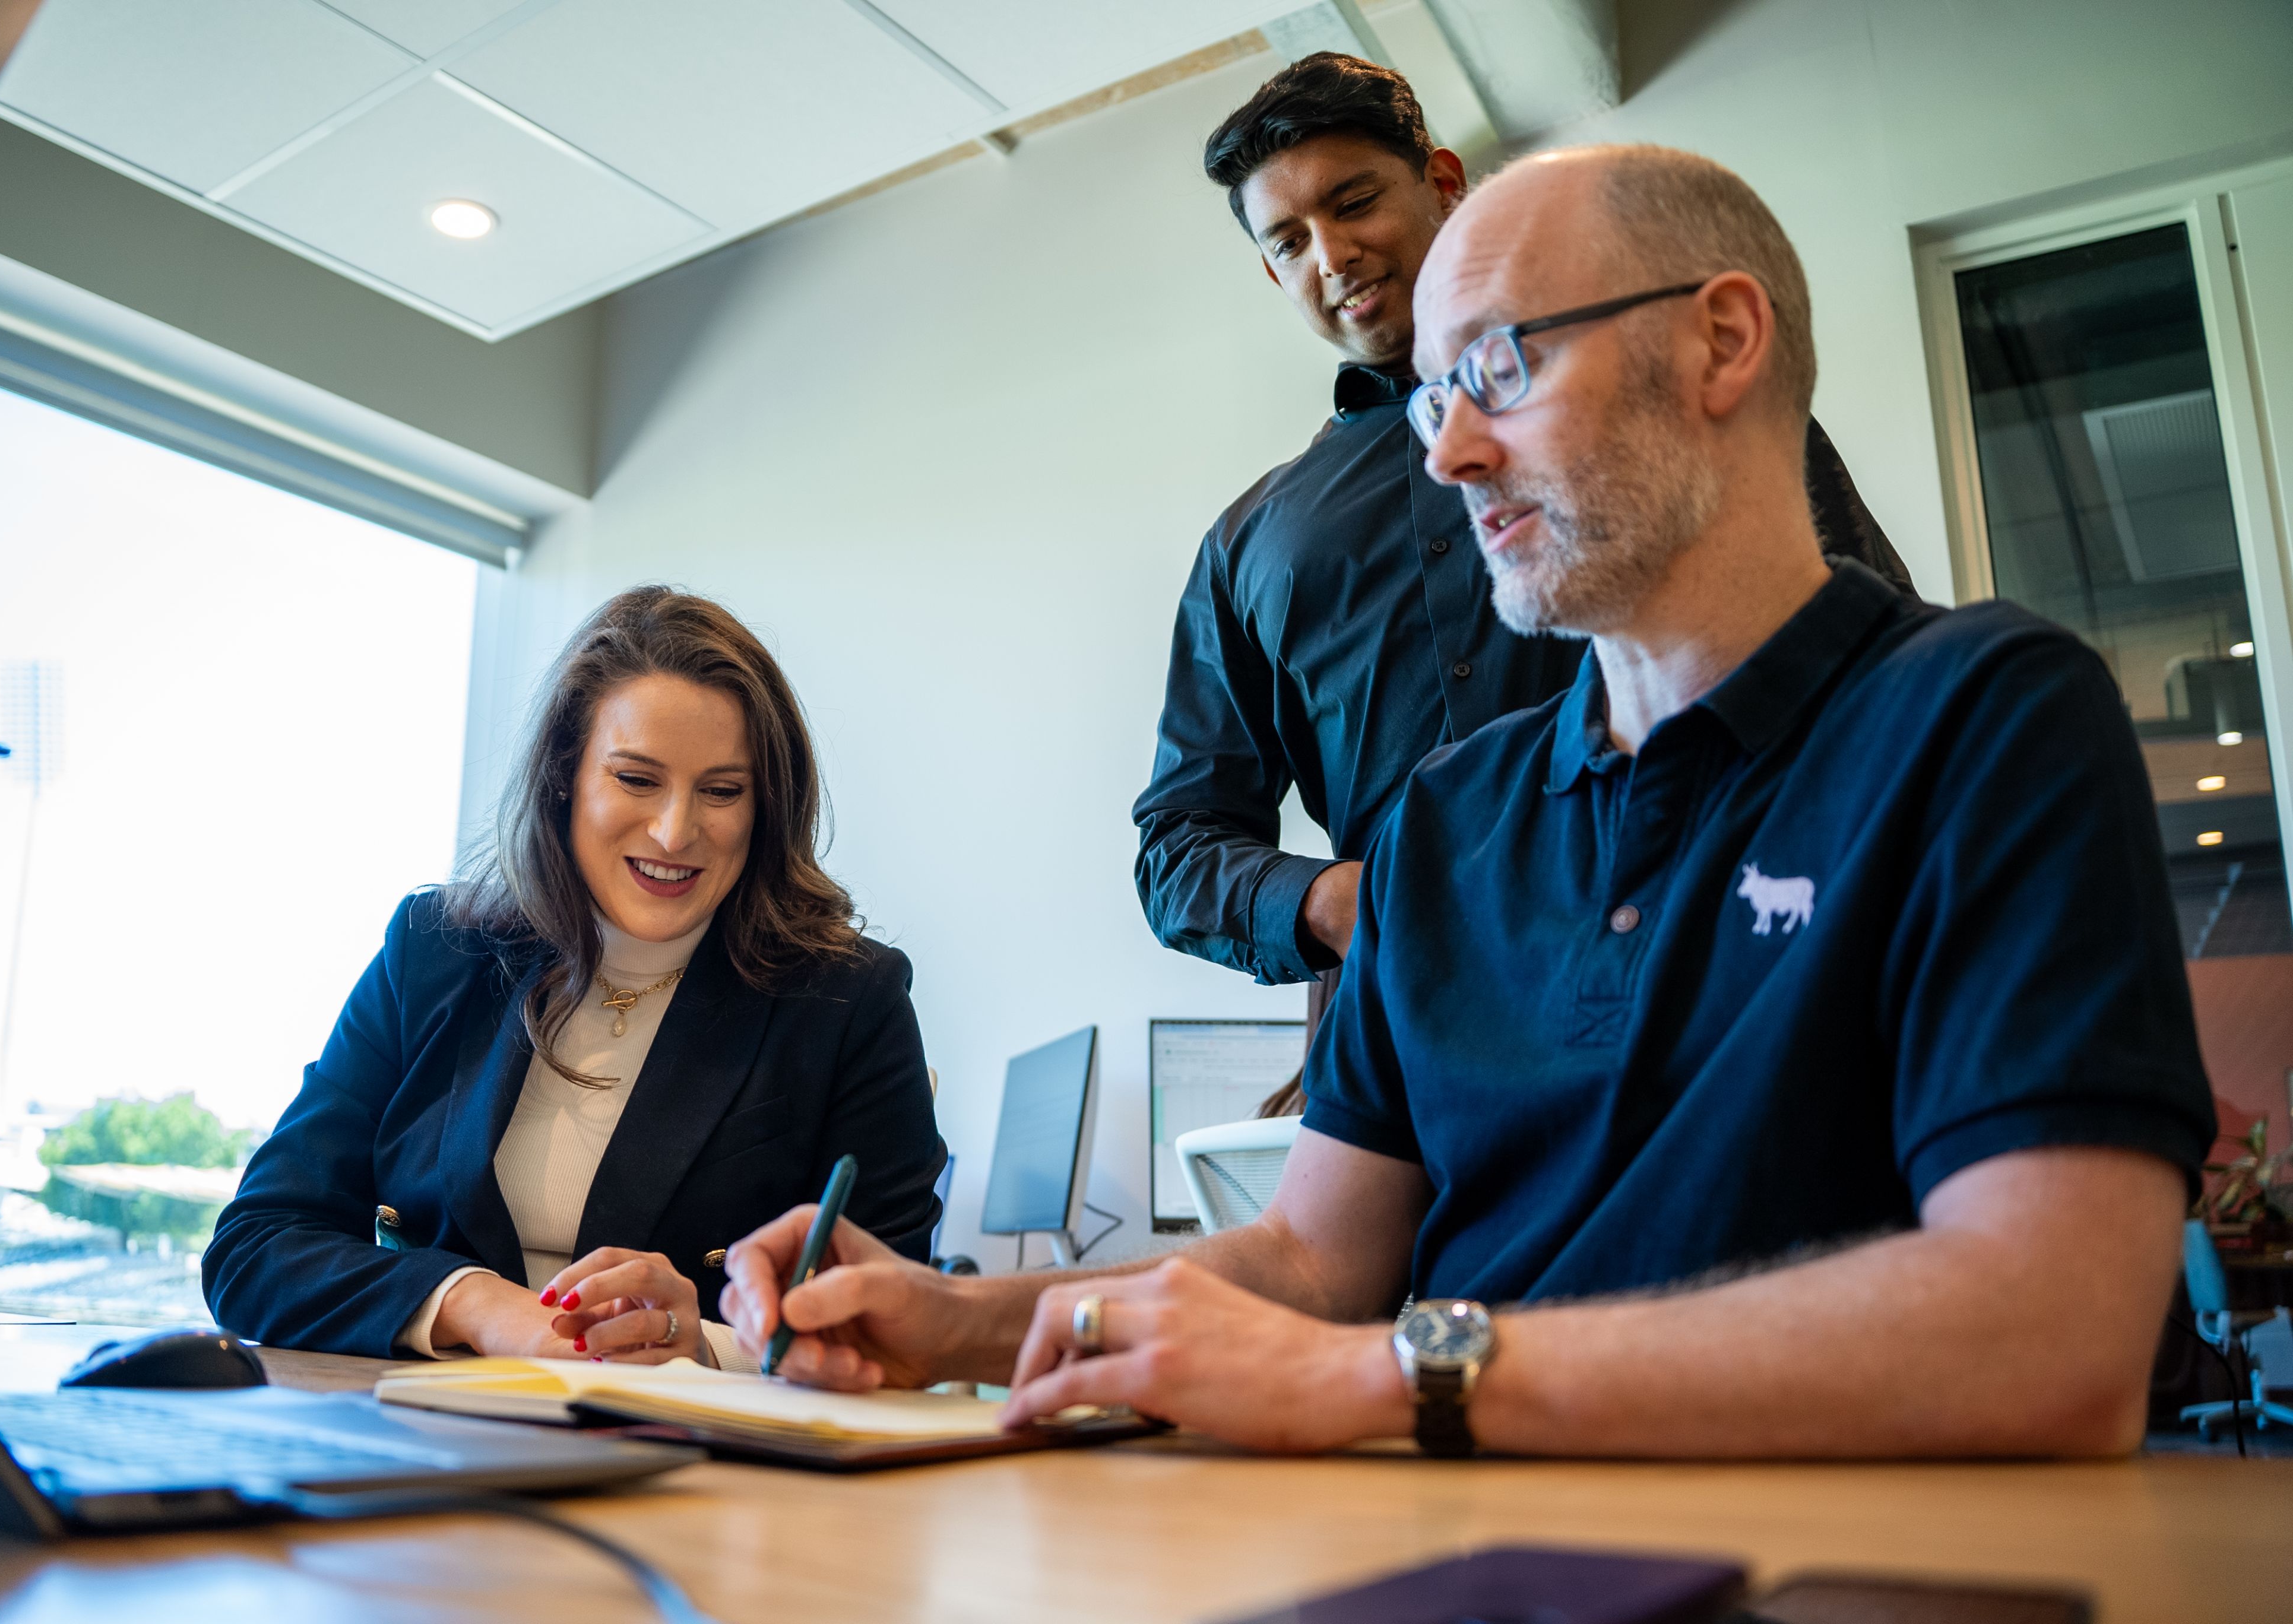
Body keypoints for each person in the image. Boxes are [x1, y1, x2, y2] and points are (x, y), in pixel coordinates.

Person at [720, 145, 2216, 1459]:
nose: (1445, 451)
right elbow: (1312, 1263)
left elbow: (2049, 1338)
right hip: (1449, 1539)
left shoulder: (1982, 716)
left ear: (1721, 340)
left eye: (1499, 366)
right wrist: (954, 1320)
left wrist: (1389, 1380)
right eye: (1435, 394)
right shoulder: (1441, 826)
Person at [1134, 54, 1909, 1024]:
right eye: (1289, 241)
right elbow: (1179, 842)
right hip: (1407, 1040)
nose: (1330, 257)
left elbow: (1866, 662)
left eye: (1356, 200)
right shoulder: (1247, 544)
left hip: (1711, 981)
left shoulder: (1646, 391)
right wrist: (1339, 904)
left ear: (1444, 183)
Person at [205, 588, 946, 1367]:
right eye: (636, 779)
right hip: (422, 1435)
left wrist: (703, 1345)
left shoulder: (849, 1002)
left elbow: (900, 1330)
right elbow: (258, 1246)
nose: (674, 831)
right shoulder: (433, 953)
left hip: (703, 1466)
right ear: (566, 776)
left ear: (765, 807)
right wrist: (475, 1302)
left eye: (722, 791)